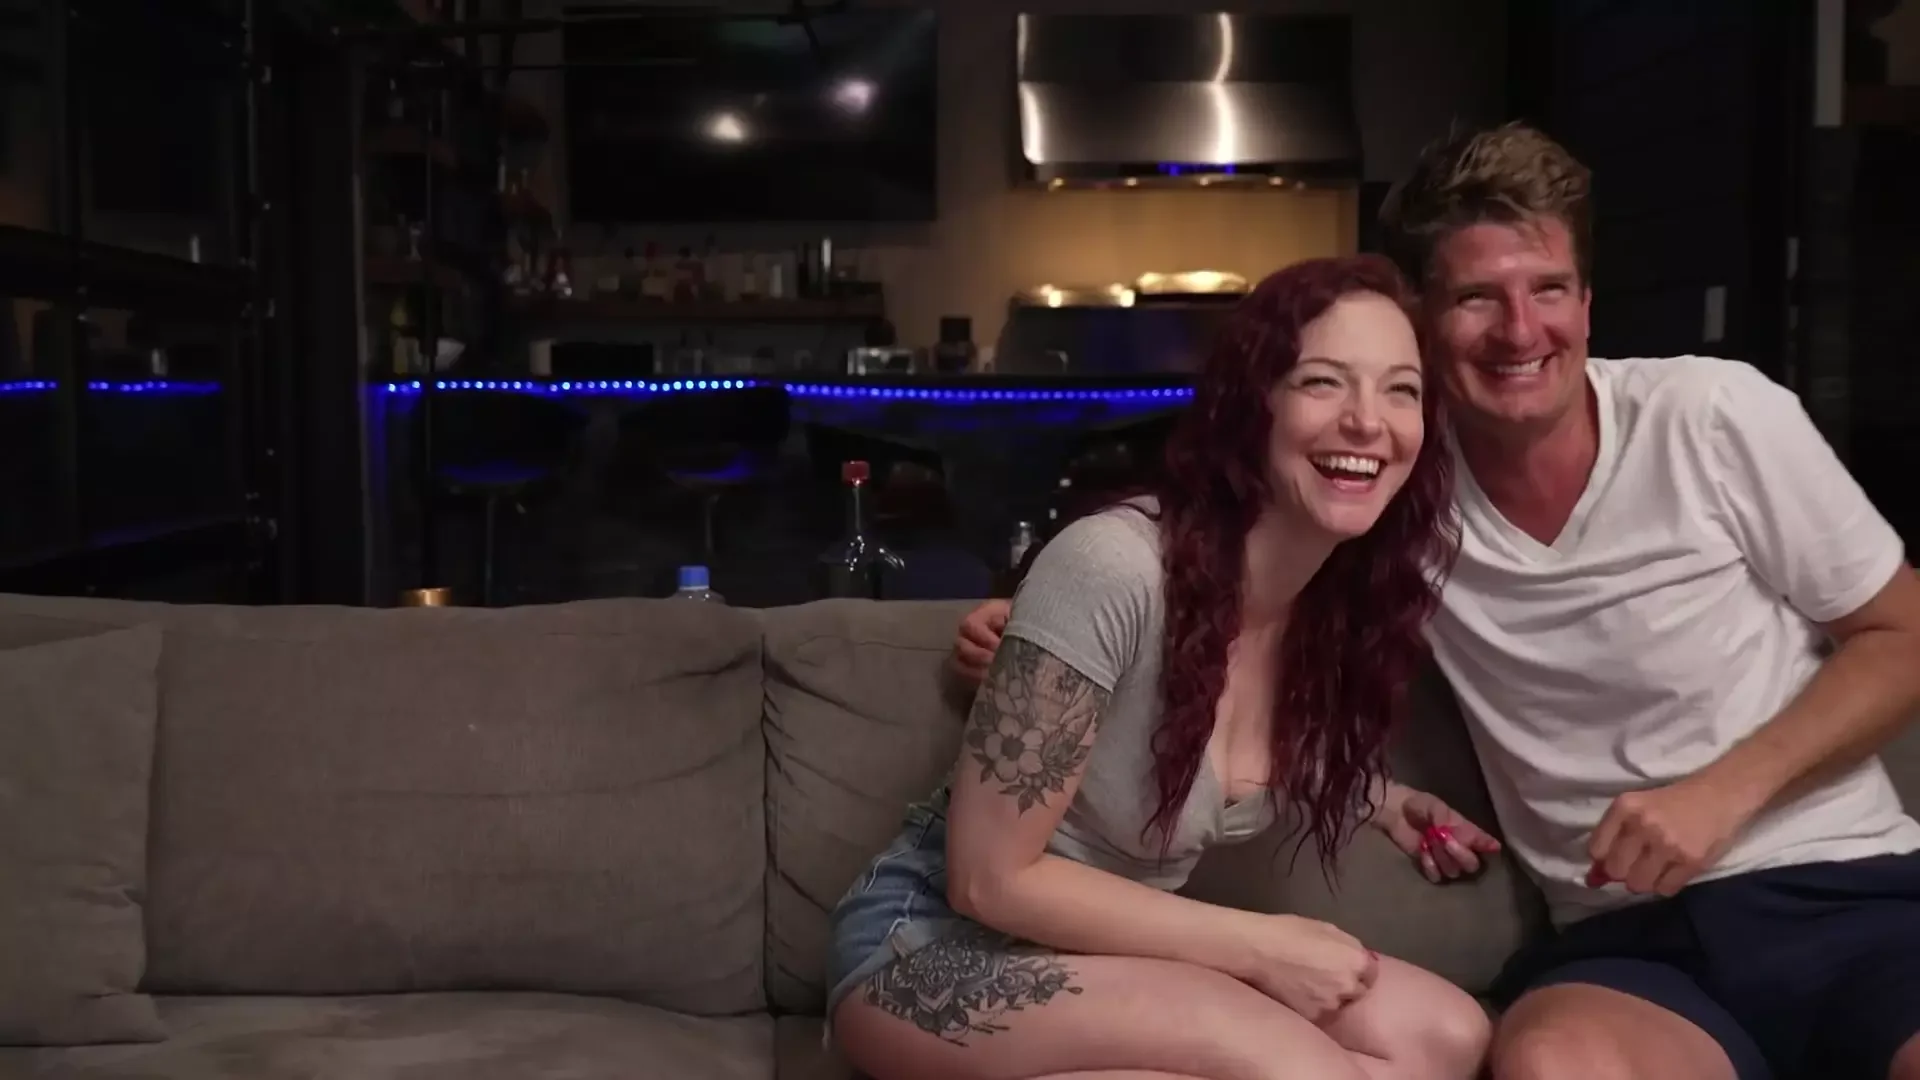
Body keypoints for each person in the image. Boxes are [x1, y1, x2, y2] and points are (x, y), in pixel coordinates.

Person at [954, 122, 1920, 1080]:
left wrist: (1720, 794)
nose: (1520, 331)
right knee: (1549, 1069)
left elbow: (1905, 632)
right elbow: (1215, 572)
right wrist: (1048, 636)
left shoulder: (1714, 417)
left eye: (1549, 289)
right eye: (1476, 297)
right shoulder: (1388, 485)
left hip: (1843, 892)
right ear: (1419, 317)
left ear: (1588, 303)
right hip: (1628, 942)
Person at [825, 254, 1499, 1080]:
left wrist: (1383, 800)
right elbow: (986, 881)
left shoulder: (1333, 607)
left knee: (1447, 1035)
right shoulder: (1112, 567)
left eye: (1401, 390)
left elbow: (1243, 752)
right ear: (1252, 405)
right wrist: (1258, 946)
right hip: (934, 947)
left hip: (1102, 963)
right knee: (1301, 1068)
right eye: (1323, 382)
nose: (1368, 421)